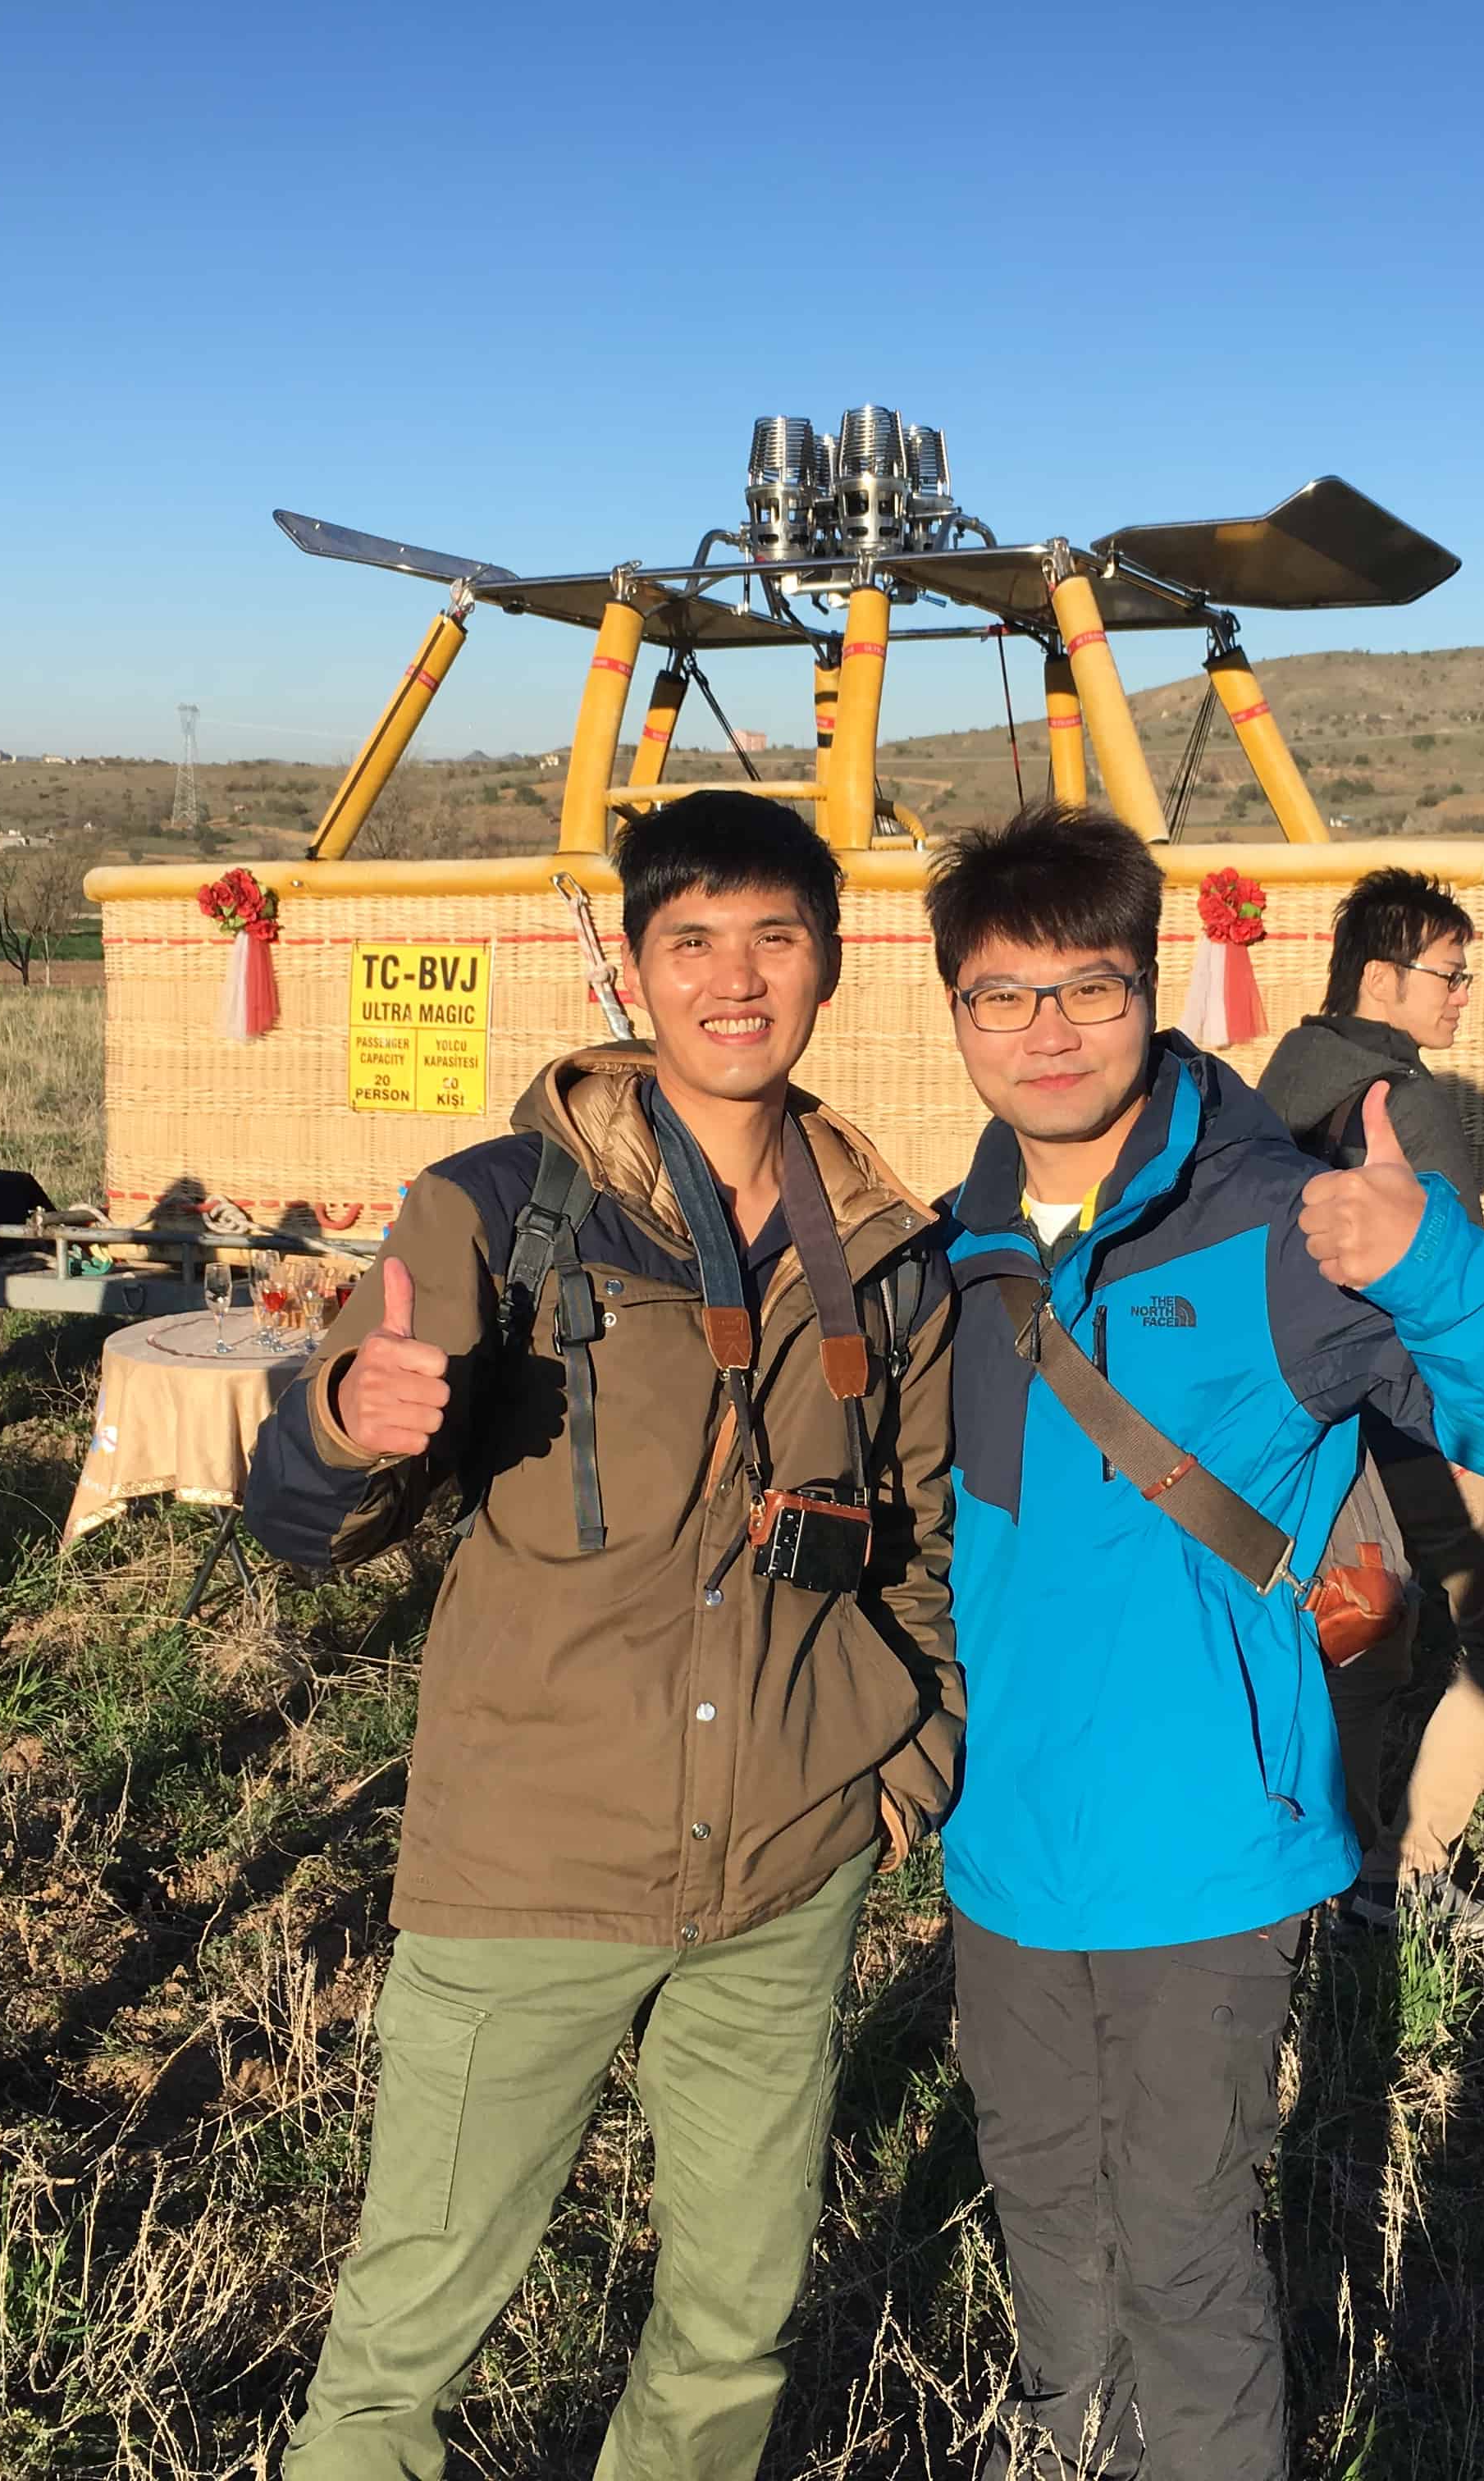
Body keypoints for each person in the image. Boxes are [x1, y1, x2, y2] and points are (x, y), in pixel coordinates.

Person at [242, 791, 961, 2481]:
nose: (736, 979)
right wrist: (347, 1413)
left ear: (831, 966)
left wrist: (903, 1762)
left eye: (775, 938)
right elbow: (302, 1530)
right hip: (531, 1862)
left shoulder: (890, 1253)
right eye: (693, 939)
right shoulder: (500, 1210)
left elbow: (923, 1549)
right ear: (636, 967)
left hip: (784, 1871)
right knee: (404, 2335)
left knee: (734, 2322)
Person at [924, 804, 1484, 2481]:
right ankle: (1065, 2450)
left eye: (1090, 986)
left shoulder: (1290, 1225)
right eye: (1005, 996)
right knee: (1045, 2218)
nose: (1050, 1032)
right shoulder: (955, 1251)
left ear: (1153, 989)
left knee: (1189, 2252)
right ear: (955, 1013)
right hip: (1002, 1853)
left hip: (1202, 1855)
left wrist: (1437, 1268)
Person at [1254, 866, 1484, 1924]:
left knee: (1341, 1625)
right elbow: (1453, 1280)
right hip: (1411, 1407)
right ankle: (1395, 1866)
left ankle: (1320, 1848)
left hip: (1304, 1406)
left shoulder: (1282, 1075)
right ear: (1384, 977)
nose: (1463, 994)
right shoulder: (1402, 1096)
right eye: (1451, 975)